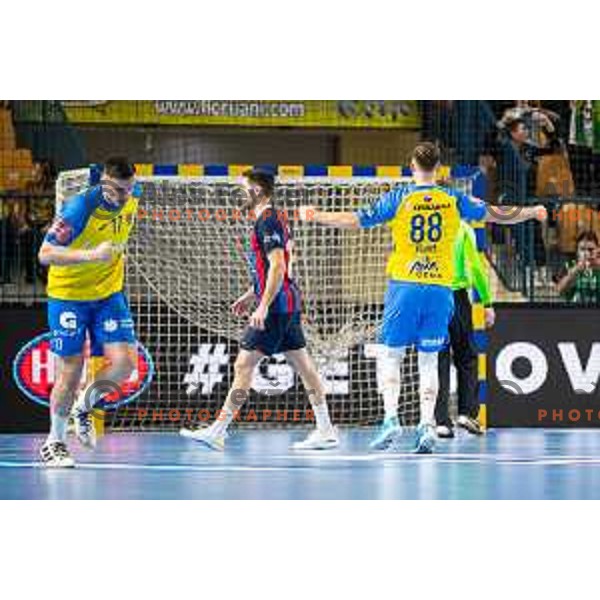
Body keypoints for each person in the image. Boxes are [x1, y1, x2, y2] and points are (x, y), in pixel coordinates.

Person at [299, 142, 546, 453]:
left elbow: (357, 219)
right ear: (439, 168)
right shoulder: (453, 198)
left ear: (412, 167)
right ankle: (427, 424)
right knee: (429, 360)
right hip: (441, 290)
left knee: (392, 356)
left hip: (405, 287)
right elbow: (496, 213)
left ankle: (391, 419)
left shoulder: (401, 197)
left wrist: (316, 215)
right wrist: (531, 212)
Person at [180, 168, 338, 451]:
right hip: (287, 302)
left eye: (244, 188)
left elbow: (278, 266)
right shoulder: (274, 218)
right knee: (304, 366)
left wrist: (262, 306)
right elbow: (272, 270)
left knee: (244, 365)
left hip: (276, 308)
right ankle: (326, 429)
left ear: (256, 191)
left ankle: (218, 429)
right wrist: (251, 294)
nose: (240, 193)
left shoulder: (267, 221)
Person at [37, 157, 140, 467]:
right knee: (71, 371)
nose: (126, 196)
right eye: (120, 190)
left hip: (108, 295)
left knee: (124, 365)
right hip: (68, 296)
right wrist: (92, 255)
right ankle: (54, 442)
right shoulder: (79, 209)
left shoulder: (131, 199)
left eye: (130, 189)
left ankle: (85, 405)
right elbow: (45, 254)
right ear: (104, 184)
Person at [435, 221, 495, 439]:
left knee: (439, 359)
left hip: (433, 296)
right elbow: (476, 268)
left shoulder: (431, 228)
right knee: (467, 357)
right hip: (458, 297)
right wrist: (487, 302)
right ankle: (466, 413)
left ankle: (441, 421)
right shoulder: (462, 228)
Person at [554, 230, 600, 304]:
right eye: (582, 249)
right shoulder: (569, 265)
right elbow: (559, 290)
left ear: (597, 249)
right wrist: (575, 271)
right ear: (577, 251)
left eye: (590, 249)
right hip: (576, 311)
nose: (586, 253)